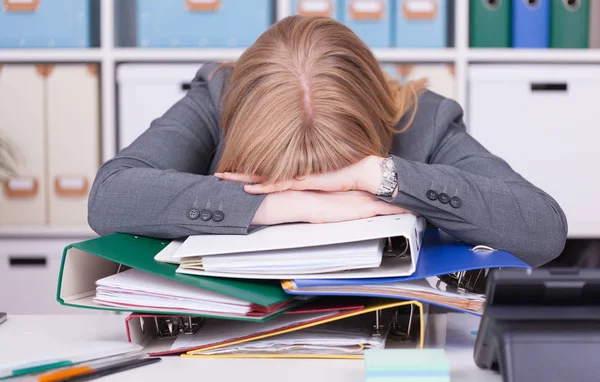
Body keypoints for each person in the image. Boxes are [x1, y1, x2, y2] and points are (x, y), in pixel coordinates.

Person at [87, 16, 567, 268]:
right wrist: (280, 205)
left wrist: (376, 177)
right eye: (288, 181)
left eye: (328, 182)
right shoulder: (216, 98)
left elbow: (543, 229)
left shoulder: (423, 121)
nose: (315, 197)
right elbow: (110, 195)